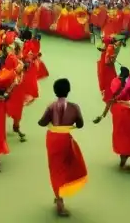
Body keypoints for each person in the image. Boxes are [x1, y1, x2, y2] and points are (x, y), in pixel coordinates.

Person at [39, 78, 88, 218]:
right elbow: (80, 125)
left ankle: (59, 199)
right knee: (68, 165)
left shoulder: (51, 106)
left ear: (55, 91)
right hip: (65, 139)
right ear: (68, 91)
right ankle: (62, 192)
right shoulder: (74, 107)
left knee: (55, 169)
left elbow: (42, 123)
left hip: (53, 139)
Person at [92, 66, 130, 172]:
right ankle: (123, 162)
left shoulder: (115, 82)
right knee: (128, 136)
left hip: (117, 111)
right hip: (127, 113)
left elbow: (110, 101)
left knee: (120, 135)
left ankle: (122, 160)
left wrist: (102, 116)